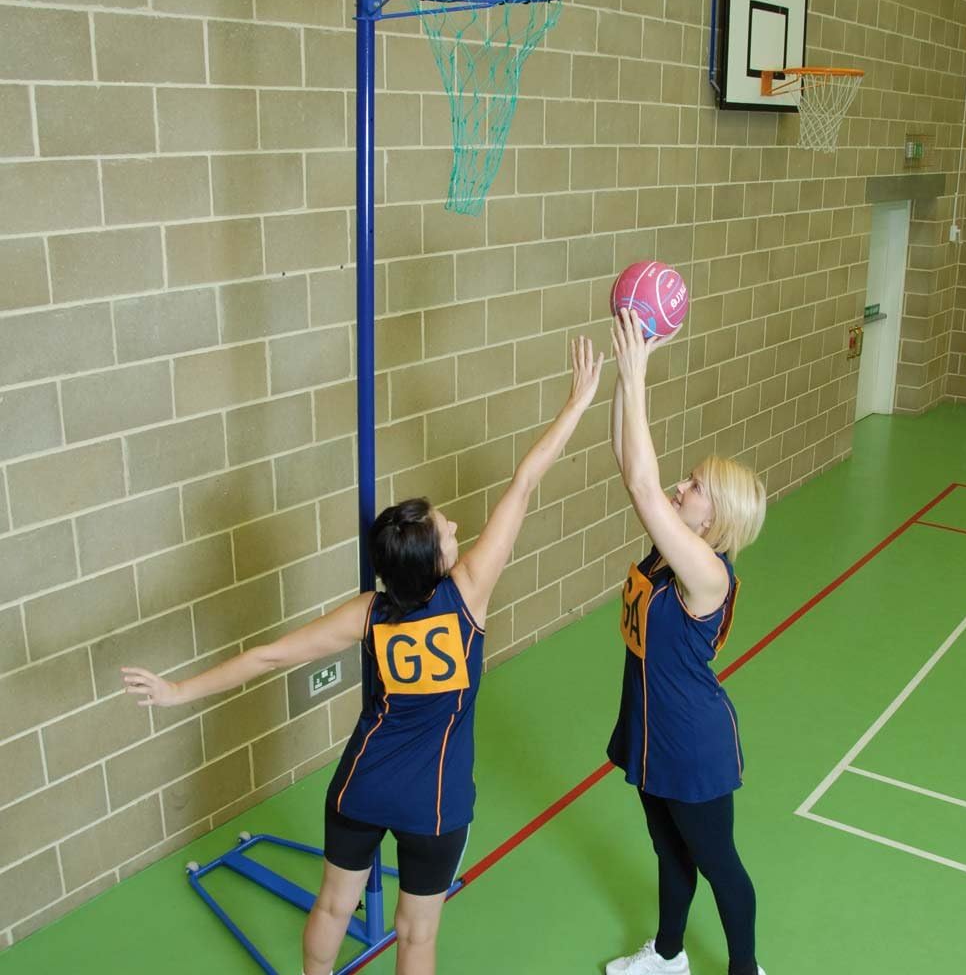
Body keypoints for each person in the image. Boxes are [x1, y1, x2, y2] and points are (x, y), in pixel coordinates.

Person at [122, 336, 604, 975]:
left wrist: (179, 691)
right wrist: (578, 401)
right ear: (435, 559)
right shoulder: (469, 592)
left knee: (330, 909)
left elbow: (268, 657)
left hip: (362, 783)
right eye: (446, 528)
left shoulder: (368, 612)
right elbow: (526, 480)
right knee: (416, 935)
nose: (457, 525)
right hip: (434, 802)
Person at [603, 309, 767, 975]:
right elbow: (629, 464)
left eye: (694, 486)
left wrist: (641, 373)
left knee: (718, 863)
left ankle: (744, 969)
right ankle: (669, 956)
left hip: (691, 740)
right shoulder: (673, 551)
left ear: (716, 515)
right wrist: (624, 373)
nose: (680, 485)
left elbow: (644, 484)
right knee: (667, 852)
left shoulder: (707, 573)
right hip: (647, 724)